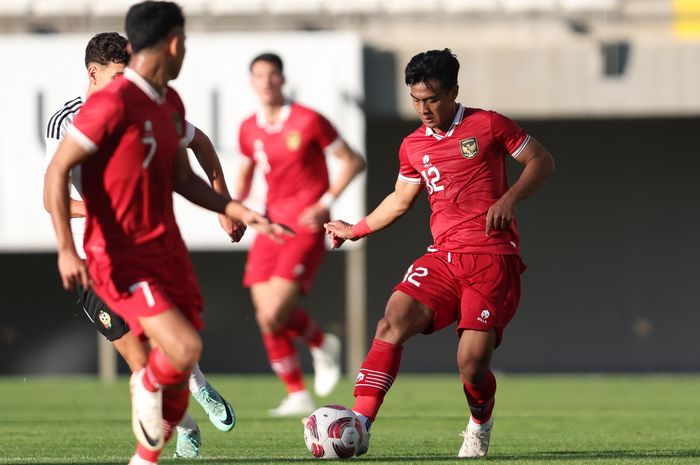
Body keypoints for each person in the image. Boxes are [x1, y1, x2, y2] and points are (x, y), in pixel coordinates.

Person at [44, 3, 290, 465]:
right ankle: (158, 430)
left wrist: (230, 205)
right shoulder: (99, 110)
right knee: (166, 354)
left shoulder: (167, 102)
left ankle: (165, 425)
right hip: (110, 256)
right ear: (173, 43)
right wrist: (64, 248)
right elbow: (54, 178)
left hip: (165, 247)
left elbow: (183, 174)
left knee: (180, 352)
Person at [325, 48, 555, 458]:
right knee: (391, 321)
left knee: (471, 363)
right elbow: (400, 200)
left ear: (453, 92)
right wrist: (355, 229)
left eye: (431, 99)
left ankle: (479, 422)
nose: (423, 109)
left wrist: (509, 199)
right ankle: (360, 421)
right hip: (443, 257)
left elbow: (541, 160)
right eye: (415, 100)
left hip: (492, 258)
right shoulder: (412, 145)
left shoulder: (487, 124)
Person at [235, 52, 365, 416]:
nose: (266, 82)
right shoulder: (248, 127)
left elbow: (354, 161)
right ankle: (298, 393)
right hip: (269, 224)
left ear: (282, 79)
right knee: (266, 318)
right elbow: (245, 175)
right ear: (252, 82)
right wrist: (236, 207)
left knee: (275, 310)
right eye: (259, 75)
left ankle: (322, 344)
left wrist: (325, 202)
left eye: (272, 75)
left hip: (305, 226)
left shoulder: (308, 120)